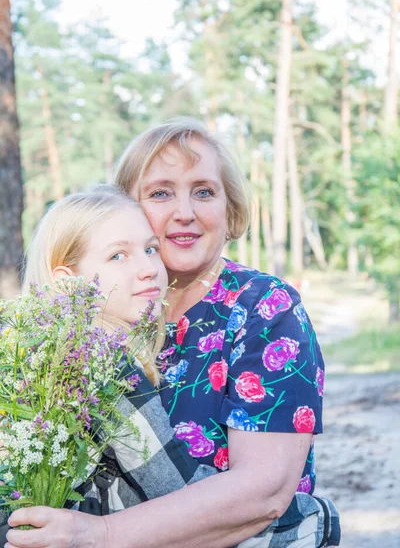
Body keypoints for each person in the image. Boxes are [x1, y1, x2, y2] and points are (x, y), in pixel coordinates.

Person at [6, 120, 340, 548]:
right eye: (161, 193)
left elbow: (265, 493)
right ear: (123, 208)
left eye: (204, 191)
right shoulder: (99, 318)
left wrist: (101, 535)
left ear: (228, 207)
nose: (185, 211)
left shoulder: (263, 307)